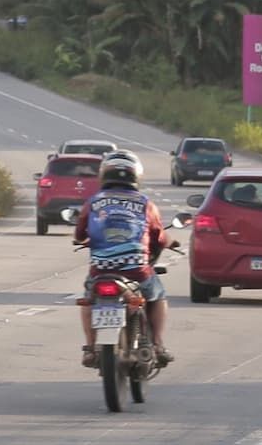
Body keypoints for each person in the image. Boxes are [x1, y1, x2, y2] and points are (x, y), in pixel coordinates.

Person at [75, 150, 177, 368]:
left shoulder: (93, 202)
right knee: (158, 295)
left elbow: (79, 234)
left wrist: (85, 238)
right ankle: (158, 344)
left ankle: (90, 348)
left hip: (101, 271)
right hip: (136, 271)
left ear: (104, 174)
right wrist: (170, 242)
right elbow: (158, 235)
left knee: (88, 298)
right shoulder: (145, 203)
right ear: (135, 176)